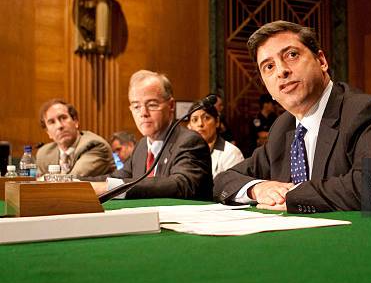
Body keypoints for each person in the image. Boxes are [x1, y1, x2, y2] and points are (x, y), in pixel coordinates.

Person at [213, 21, 371, 213]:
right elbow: (224, 179)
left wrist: (295, 196)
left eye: (292, 55)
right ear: (267, 88)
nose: (282, 71)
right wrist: (258, 189)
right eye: (269, 66)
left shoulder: (367, 112)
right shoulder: (282, 128)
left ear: (322, 61)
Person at [91, 70, 213, 200]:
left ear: (171, 106)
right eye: (136, 106)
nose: (143, 113)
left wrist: (109, 188)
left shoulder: (189, 141)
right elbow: (116, 178)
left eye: (152, 105)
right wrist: (74, 182)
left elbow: (181, 185)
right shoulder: (142, 145)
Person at [36, 99, 114, 177]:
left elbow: (73, 180)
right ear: (48, 132)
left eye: (63, 118)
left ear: (75, 121)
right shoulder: (44, 154)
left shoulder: (95, 145)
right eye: (52, 122)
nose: (59, 126)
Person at [187, 100, 244, 178]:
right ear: (189, 126)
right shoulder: (185, 151)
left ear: (217, 121)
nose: (200, 124)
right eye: (195, 120)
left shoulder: (231, 153)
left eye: (206, 118)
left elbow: (235, 187)